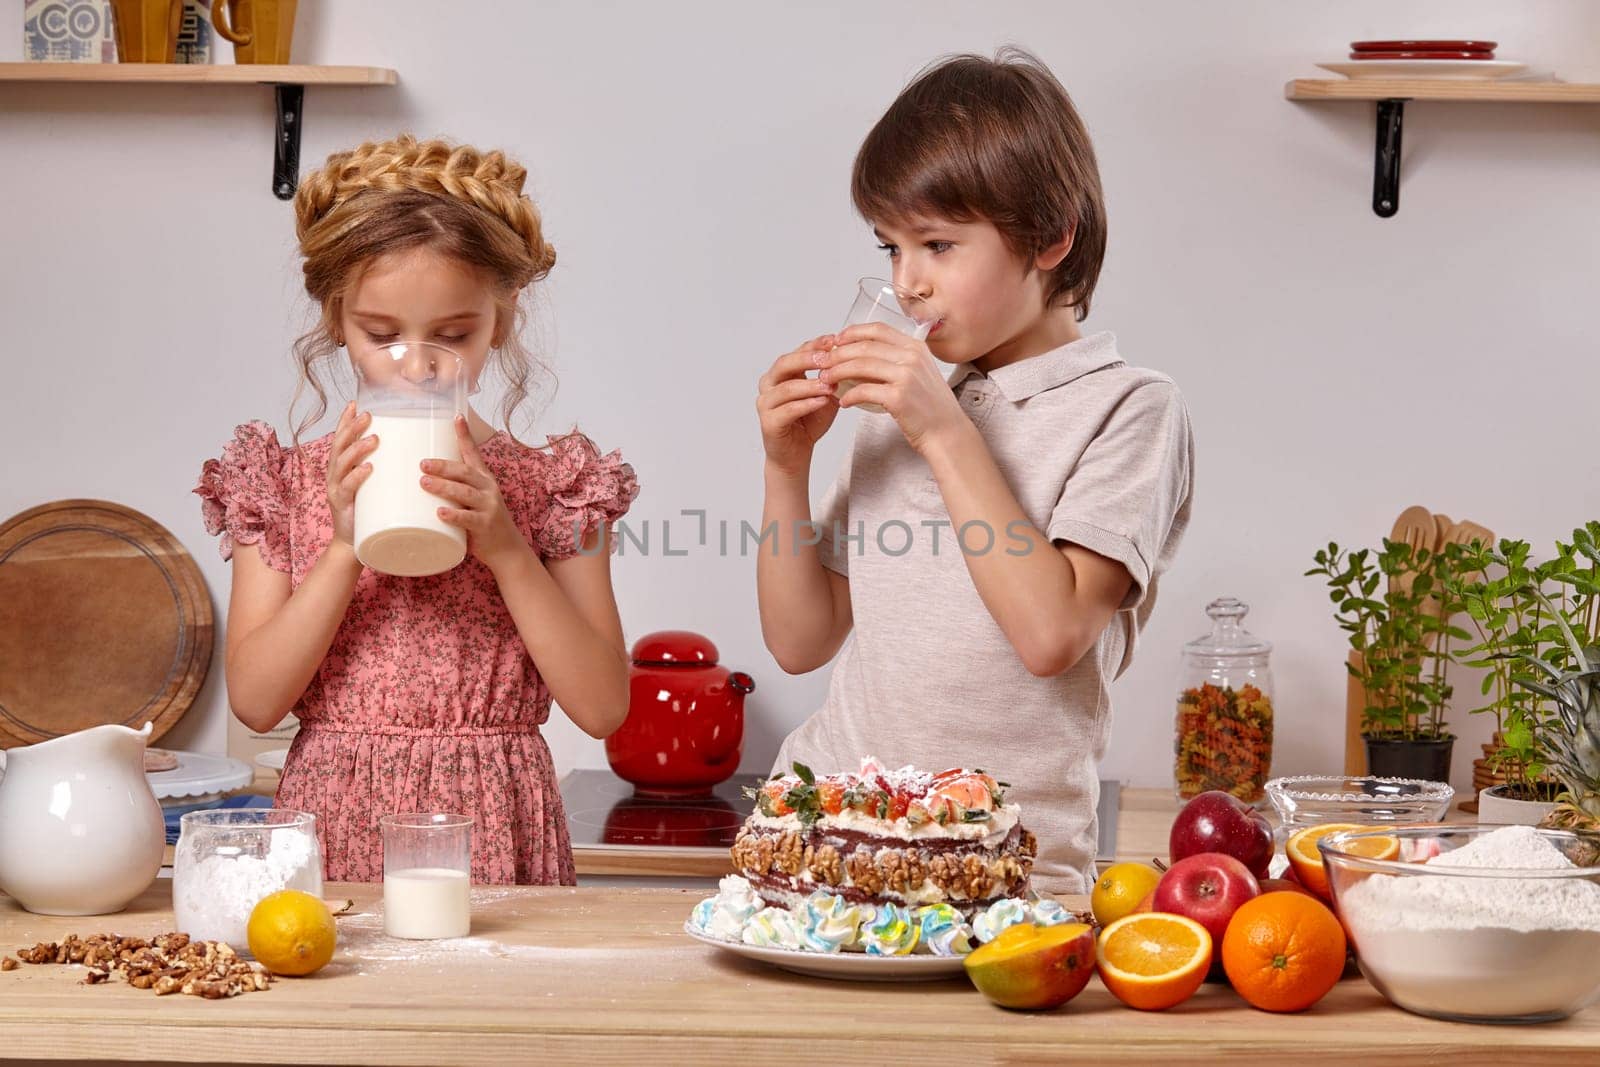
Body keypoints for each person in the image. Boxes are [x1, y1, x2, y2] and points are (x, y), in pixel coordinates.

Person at [755, 50, 1194, 894]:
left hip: (1003, 872)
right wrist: (786, 465)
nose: (906, 283)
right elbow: (801, 640)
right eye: (892, 246)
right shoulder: (909, 407)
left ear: (1051, 236)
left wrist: (945, 431)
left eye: (939, 244)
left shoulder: (1132, 409)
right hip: (822, 842)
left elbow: (1051, 635)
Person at [195, 135, 639, 884]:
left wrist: (505, 547)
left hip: (494, 819)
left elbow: (601, 707)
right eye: (382, 334)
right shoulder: (284, 483)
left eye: (453, 335)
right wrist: (342, 545)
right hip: (336, 820)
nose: (420, 362)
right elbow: (258, 702)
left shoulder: (553, 486)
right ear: (337, 319)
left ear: (501, 318)